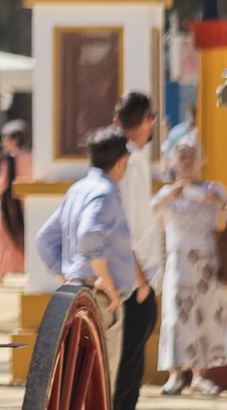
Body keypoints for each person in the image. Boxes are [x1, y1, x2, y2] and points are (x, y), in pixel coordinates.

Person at [36, 125, 139, 389]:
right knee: (99, 386)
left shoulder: (78, 189)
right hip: (100, 298)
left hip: (77, 292)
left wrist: (67, 275)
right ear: (121, 161)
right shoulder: (103, 192)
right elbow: (90, 234)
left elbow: (45, 239)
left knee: (77, 383)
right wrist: (104, 280)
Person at [152, 135, 227, 395]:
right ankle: (175, 374)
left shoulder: (214, 189)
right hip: (178, 262)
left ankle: (199, 375)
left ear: (200, 159)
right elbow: (149, 219)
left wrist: (218, 204)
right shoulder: (166, 193)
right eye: (182, 156)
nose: (187, 161)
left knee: (205, 316)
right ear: (173, 160)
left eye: (192, 155)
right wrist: (167, 198)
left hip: (208, 264)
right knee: (175, 317)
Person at [112, 92, 160, 410]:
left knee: (129, 377)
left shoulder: (132, 161)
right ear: (149, 121)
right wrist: (141, 282)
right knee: (125, 382)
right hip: (132, 287)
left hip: (135, 284)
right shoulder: (127, 165)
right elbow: (121, 230)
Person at [0, 120, 33, 282]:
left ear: (15, 139)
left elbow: (3, 182)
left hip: (8, 205)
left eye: (6, 138)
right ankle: (29, 269)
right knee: (27, 237)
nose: (3, 141)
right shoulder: (30, 156)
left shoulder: (8, 158)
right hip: (27, 203)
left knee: (1, 237)